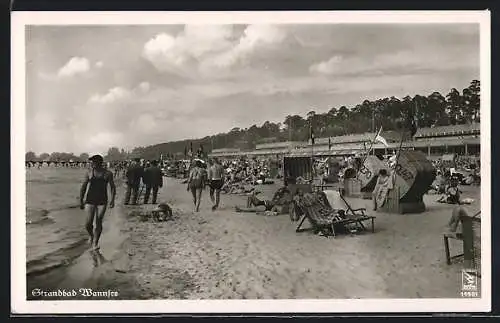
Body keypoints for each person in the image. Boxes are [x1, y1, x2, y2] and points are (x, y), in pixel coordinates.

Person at [79, 154, 116, 250]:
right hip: (90, 199)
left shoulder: (108, 173)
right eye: (91, 162)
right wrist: (81, 200)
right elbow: (83, 187)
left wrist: (112, 200)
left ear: (99, 163)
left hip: (102, 200)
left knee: (98, 221)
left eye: (93, 162)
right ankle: (91, 235)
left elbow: (112, 187)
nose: (91, 164)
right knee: (88, 223)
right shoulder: (89, 173)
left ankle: (95, 242)